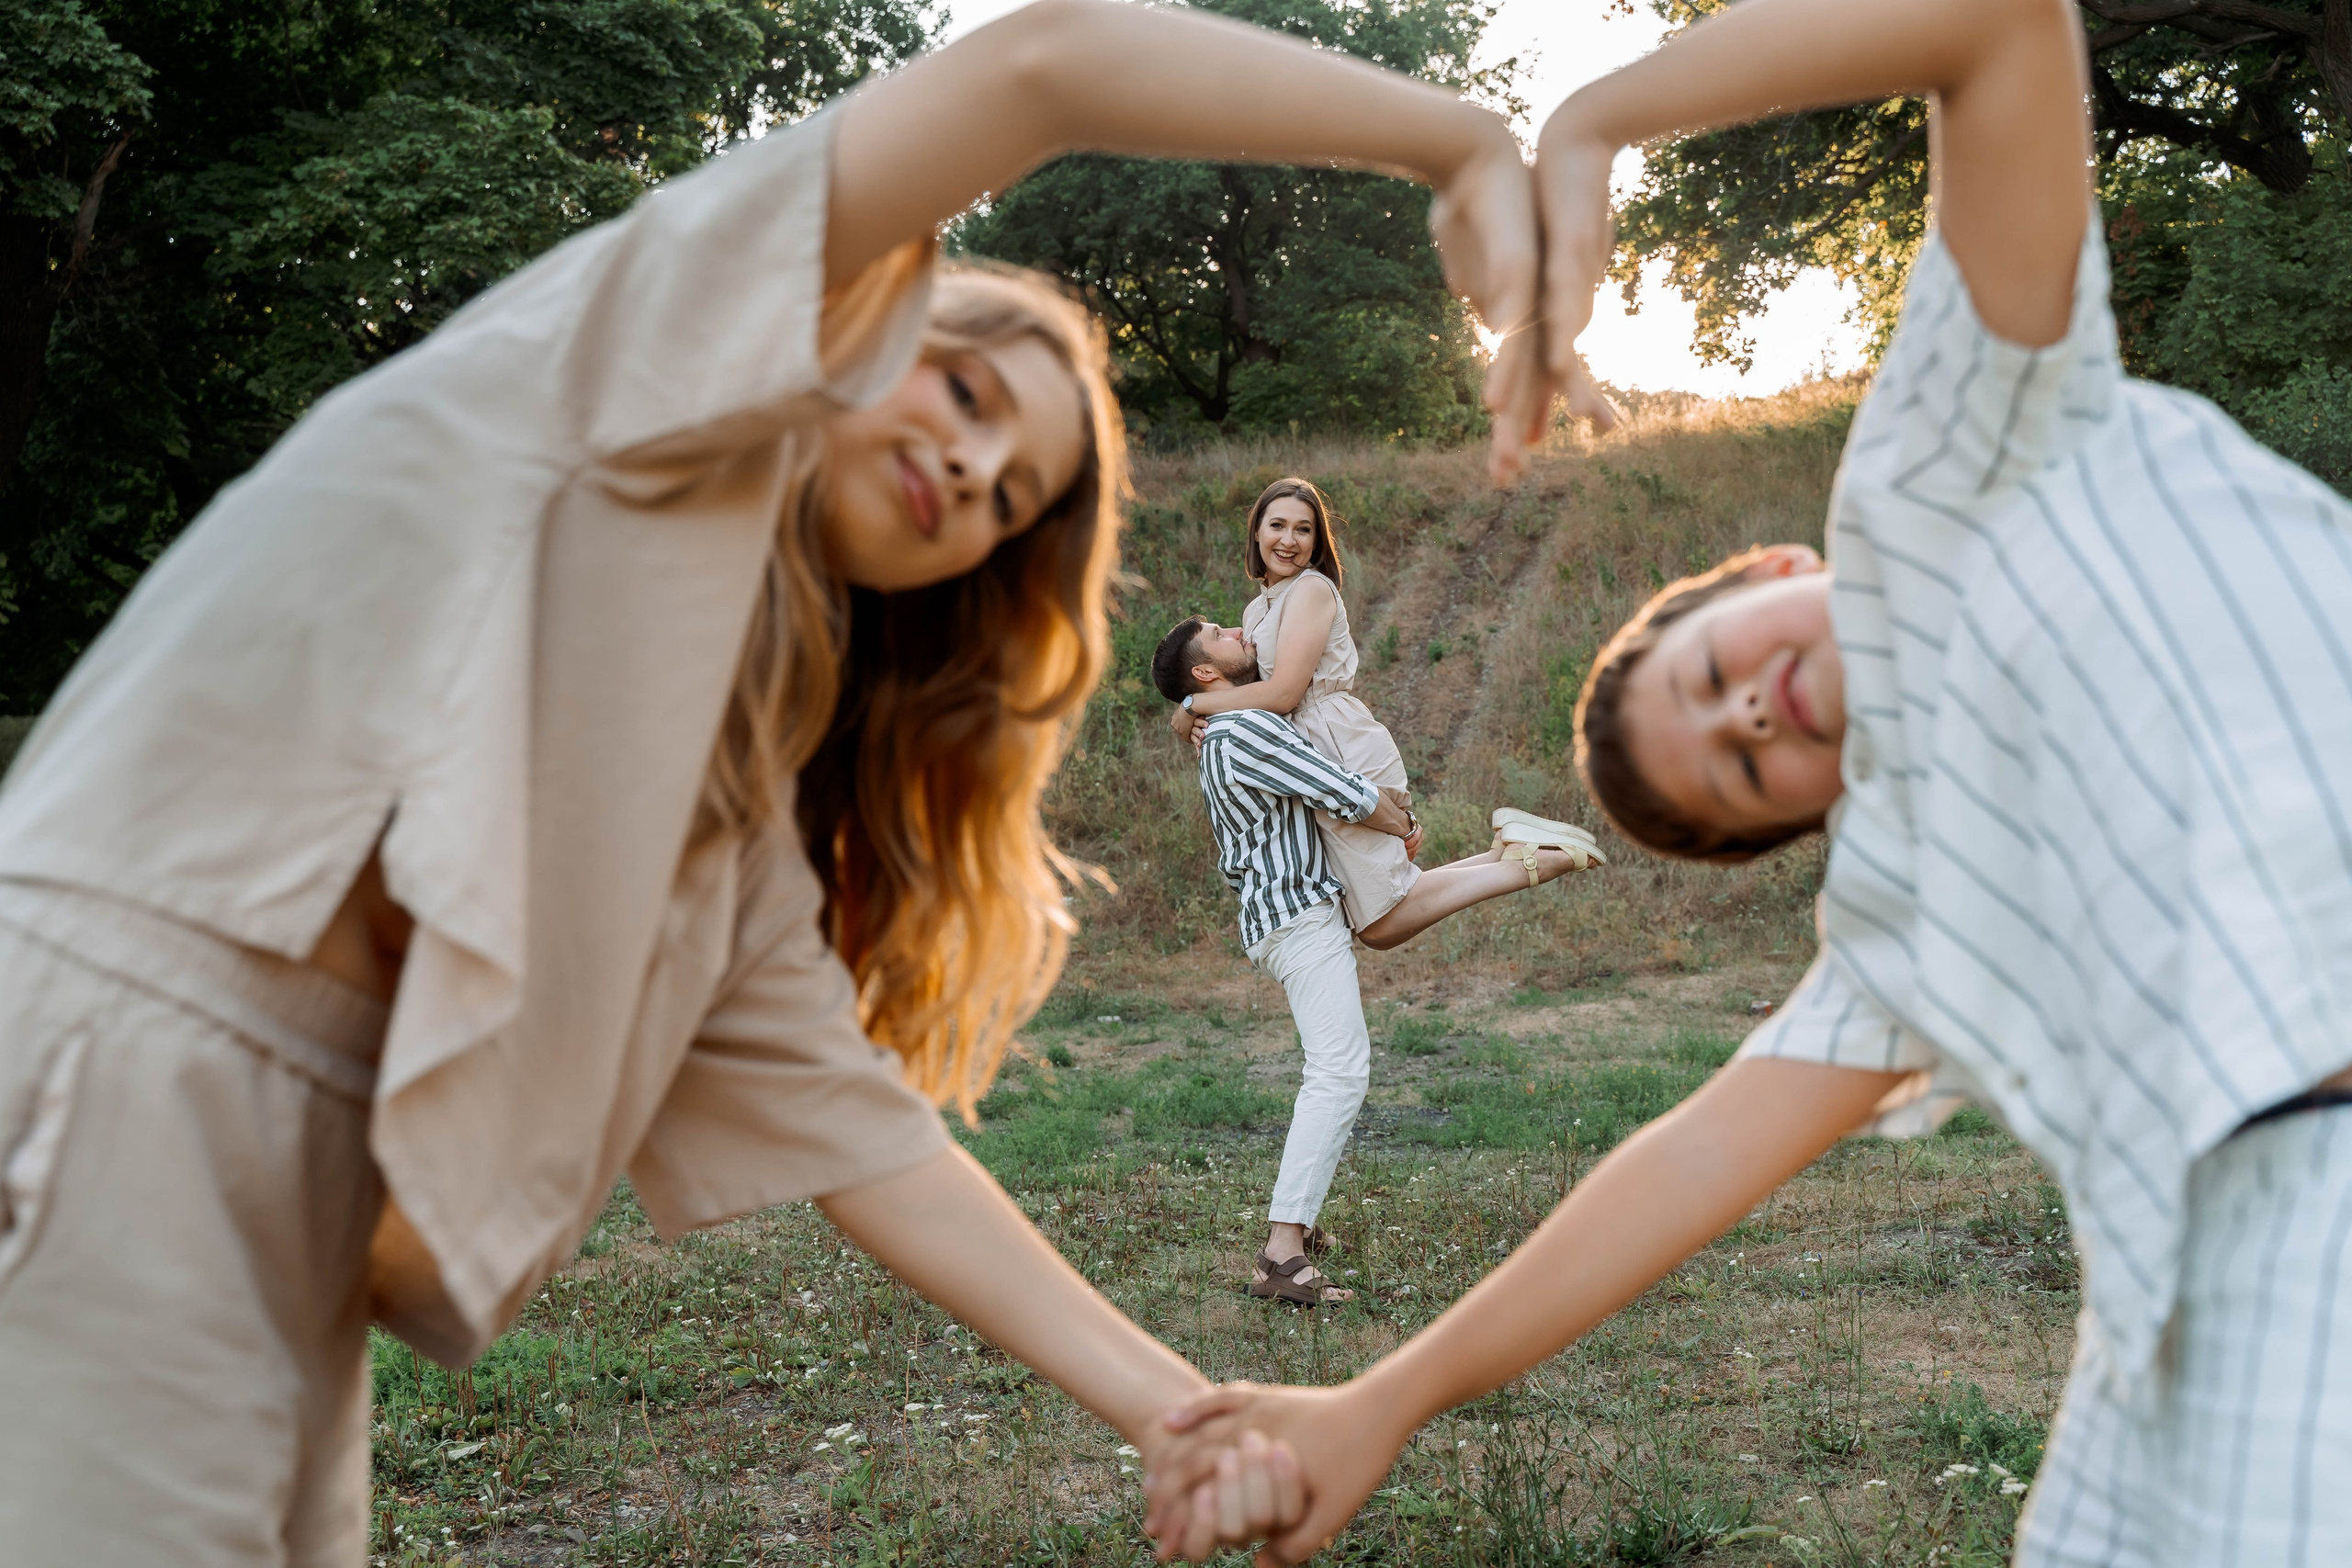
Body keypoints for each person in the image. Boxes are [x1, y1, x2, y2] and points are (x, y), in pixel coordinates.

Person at [0, 3, 1543, 1558]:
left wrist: (1175, 1408)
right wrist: (1457, 141)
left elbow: (870, 1141)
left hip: (290, 1240)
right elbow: (1042, 67)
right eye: (963, 395)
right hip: (118, 1069)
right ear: (859, 331)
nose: (972, 468)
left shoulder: (727, 792)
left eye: (1008, 497)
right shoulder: (621, 370)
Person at [1142, 0, 2352, 1562]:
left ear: (1773, 570)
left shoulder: (1966, 462)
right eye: (1747, 769)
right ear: (1818, 818)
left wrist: (1592, 124)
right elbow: (1686, 1160)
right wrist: (1386, 1398)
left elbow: (2000, 27)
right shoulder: (1912, 897)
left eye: (1714, 674)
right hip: (2222, 1290)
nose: (1754, 714)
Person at [1150, 616, 1600, 1306]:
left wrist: (1187, 710)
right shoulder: (1241, 729)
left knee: (1385, 939)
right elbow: (1339, 788)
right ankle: (1281, 1253)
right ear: (1204, 671)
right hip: (1297, 919)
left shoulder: (1227, 724)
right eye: (1218, 632)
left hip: (1297, 912)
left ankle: (1511, 856)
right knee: (1338, 1071)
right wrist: (1401, 821)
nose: (1236, 628)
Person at [1171, 477, 1605, 925]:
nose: (1288, 540)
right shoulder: (1256, 610)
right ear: (1257, 530)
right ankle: (1510, 852)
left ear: (1317, 541)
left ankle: (1536, 862)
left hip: (1335, 740)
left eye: (1303, 529)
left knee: (1383, 913)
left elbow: (1284, 693)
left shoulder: (1311, 589)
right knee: (1378, 910)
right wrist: (1198, 713)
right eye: (1277, 525)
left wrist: (1192, 706)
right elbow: (1247, 695)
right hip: (1304, 750)